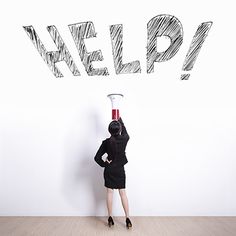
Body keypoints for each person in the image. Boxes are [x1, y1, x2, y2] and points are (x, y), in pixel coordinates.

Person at [94, 117, 132, 229]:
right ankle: (128, 218)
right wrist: (120, 120)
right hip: (120, 170)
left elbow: (96, 158)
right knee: (123, 193)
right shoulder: (124, 139)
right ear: (119, 129)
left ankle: (110, 217)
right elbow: (125, 132)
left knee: (110, 193)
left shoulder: (106, 142)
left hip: (109, 170)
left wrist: (105, 164)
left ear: (109, 130)